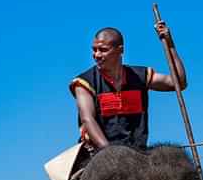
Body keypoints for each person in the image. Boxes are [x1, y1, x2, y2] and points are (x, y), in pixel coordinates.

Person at [68, 23, 187, 160]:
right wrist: (110, 154)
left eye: (103, 50)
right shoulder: (84, 83)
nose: (97, 55)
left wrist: (170, 45)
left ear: (120, 50)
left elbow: (179, 83)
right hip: (98, 156)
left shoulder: (140, 76)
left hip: (138, 156)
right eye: (94, 50)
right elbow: (87, 119)